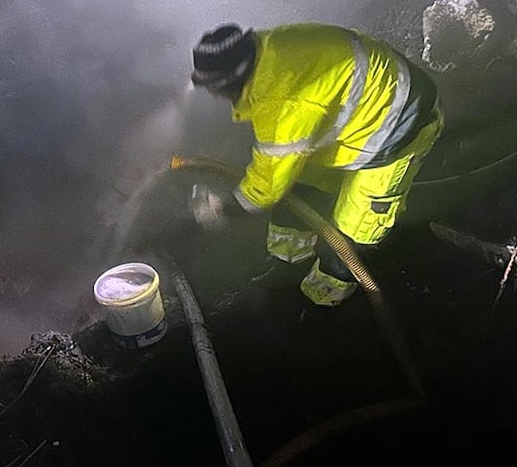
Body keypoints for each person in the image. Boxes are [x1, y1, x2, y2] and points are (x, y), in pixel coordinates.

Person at [189, 22, 443, 307]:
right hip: (356, 107)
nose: (211, 95)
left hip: (397, 121)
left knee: (354, 228)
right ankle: (286, 267)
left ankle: (323, 302)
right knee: (297, 189)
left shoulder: (283, 105)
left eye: (212, 87)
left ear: (232, 79)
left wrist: (225, 207)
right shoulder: (265, 48)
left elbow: (268, 185)